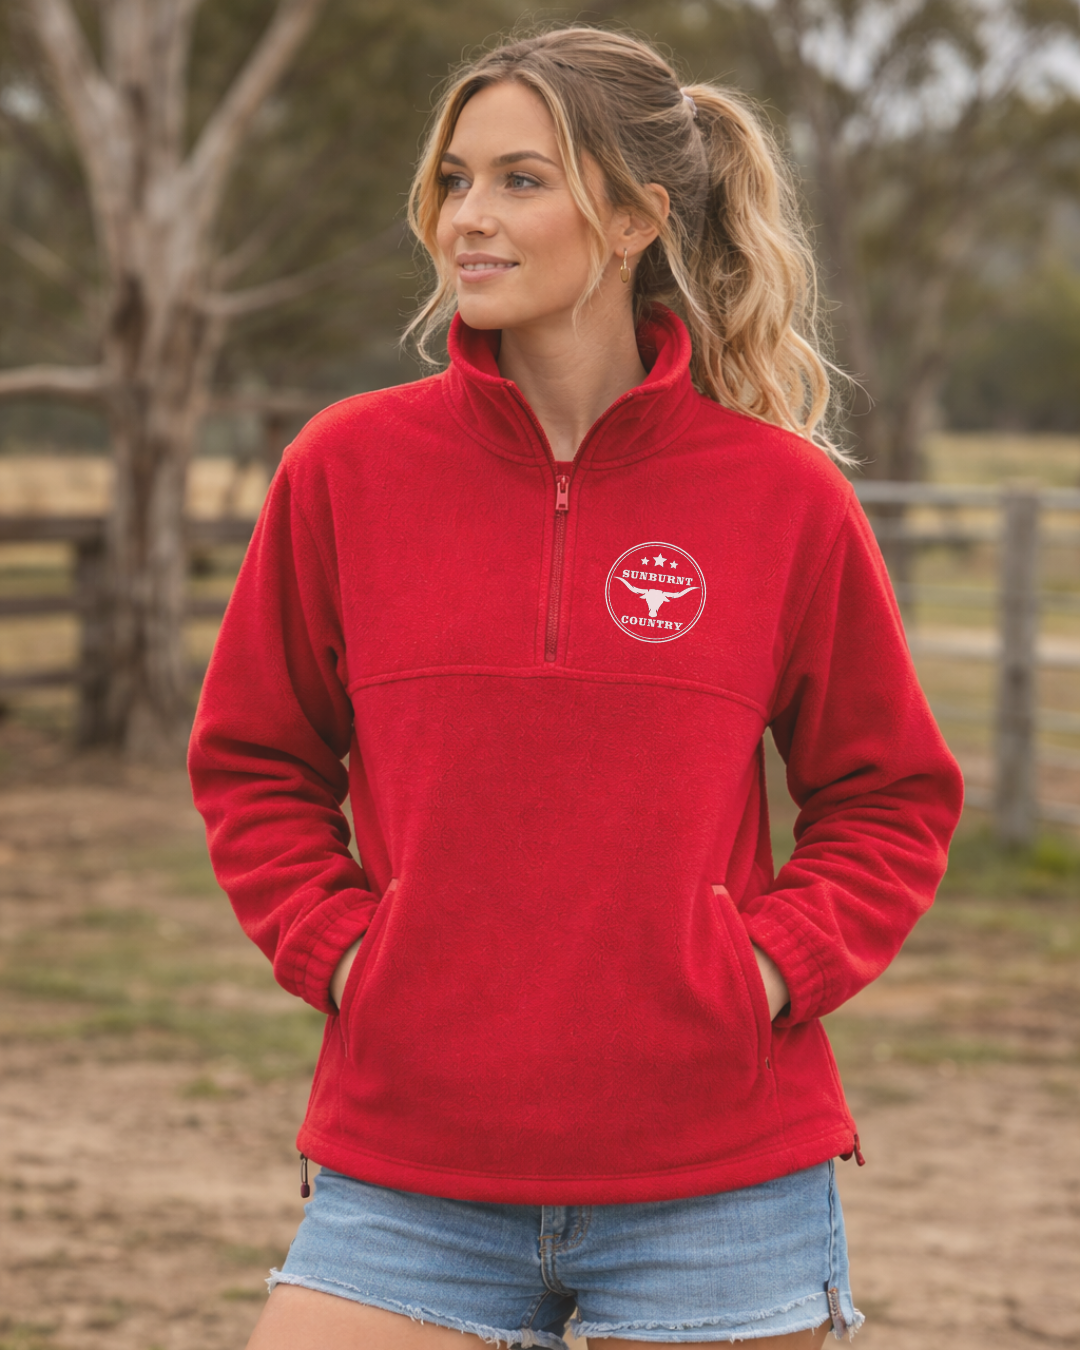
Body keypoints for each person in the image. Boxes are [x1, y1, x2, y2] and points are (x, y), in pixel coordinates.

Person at [188, 26, 963, 1350]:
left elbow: (890, 794)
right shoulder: (343, 468)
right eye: (454, 179)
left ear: (631, 218)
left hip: (715, 1174)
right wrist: (348, 951)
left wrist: (762, 972)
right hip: (411, 1161)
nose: (466, 219)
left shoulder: (782, 498)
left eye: (519, 180)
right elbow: (254, 759)